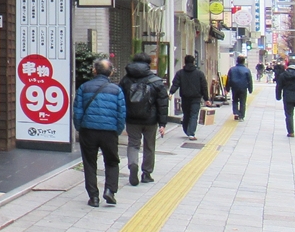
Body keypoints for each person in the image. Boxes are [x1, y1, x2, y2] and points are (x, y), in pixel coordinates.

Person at [73, 57, 126, 208]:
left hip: (88, 130)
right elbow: (121, 114)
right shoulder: (116, 90)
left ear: (94, 71)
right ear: (111, 73)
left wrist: (80, 127)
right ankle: (110, 190)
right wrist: (117, 130)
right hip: (109, 132)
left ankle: (94, 197)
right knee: (112, 161)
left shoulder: (84, 88)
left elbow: (77, 111)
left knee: (89, 163)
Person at [119, 52, 168, 186]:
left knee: (133, 144)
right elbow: (163, 103)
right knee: (149, 146)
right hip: (150, 120)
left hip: (132, 119)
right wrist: (162, 123)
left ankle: (133, 164)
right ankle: (146, 173)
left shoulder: (125, 80)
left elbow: (120, 99)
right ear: (148, 64)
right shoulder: (156, 81)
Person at [169, 55, 207, 141]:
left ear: (185, 62)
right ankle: (191, 133)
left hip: (185, 98)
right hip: (196, 98)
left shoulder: (180, 73)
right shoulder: (199, 73)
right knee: (194, 115)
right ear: (193, 62)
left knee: (186, 114)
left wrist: (171, 92)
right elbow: (204, 86)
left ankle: (186, 130)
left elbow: (175, 84)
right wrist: (206, 98)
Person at [226, 55, 254, 121]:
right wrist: (250, 89)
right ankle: (241, 116)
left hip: (234, 87)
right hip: (243, 88)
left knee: (235, 100)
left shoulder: (232, 69)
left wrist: (227, 88)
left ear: (237, 61)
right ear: (244, 61)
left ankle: (236, 112)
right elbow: (250, 80)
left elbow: (228, 79)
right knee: (242, 102)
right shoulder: (247, 70)